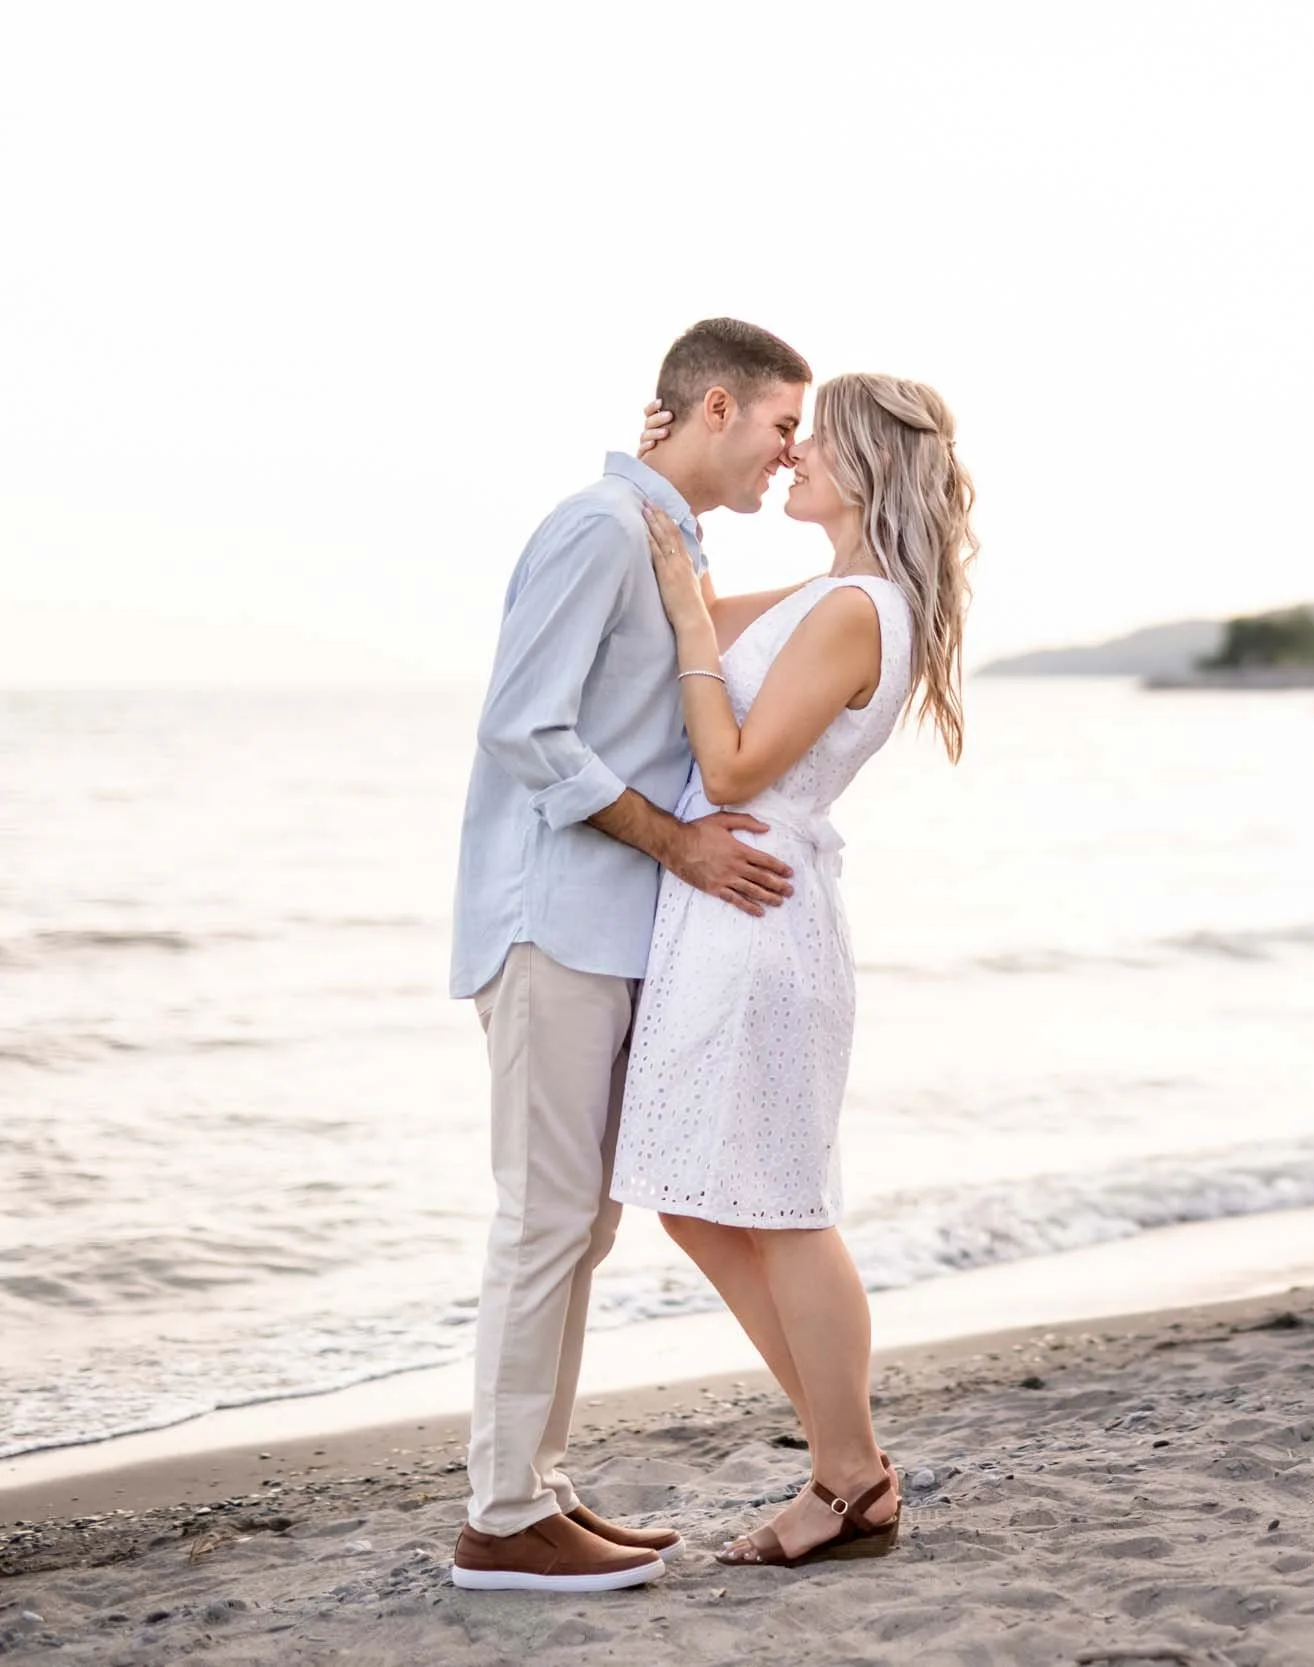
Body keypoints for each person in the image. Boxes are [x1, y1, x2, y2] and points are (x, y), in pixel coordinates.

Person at [446, 319, 812, 1592]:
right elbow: (522, 728)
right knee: (547, 1217)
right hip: (553, 919)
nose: (789, 453)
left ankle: (535, 1485)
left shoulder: (667, 540)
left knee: (579, 1224)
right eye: (779, 426)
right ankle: (498, 1513)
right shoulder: (600, 526)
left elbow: (699, 654)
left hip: (607, 924)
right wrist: (682, 846)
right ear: (716, 407)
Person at [608, 372, 976, 1566]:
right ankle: (844, 1457)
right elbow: (700, 617)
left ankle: (849, 1469)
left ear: (867, 465)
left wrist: (690, 653)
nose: (793, 457)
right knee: (698, 1197)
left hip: (756, 913)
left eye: (814, 443)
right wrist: (668, 478)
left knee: (783, 1207)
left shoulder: (857, 610)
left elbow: (728, 767)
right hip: (726, 910)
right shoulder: (829, 595)